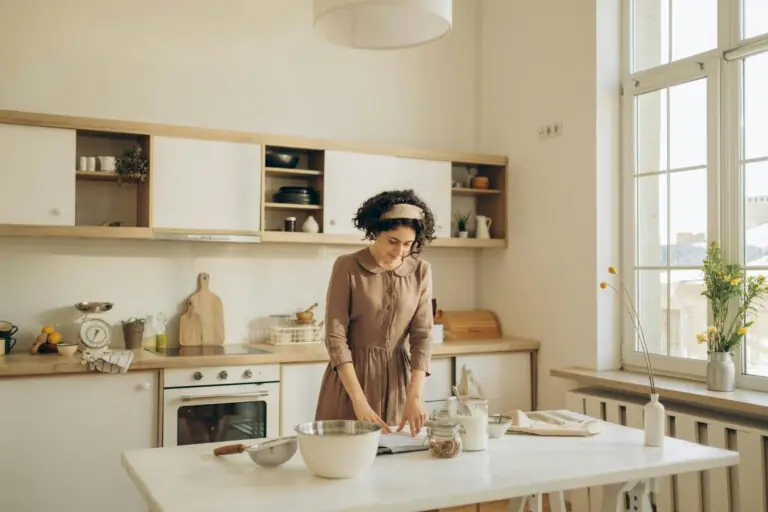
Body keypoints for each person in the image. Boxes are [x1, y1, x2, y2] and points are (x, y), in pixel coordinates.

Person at [314, 189, 436, 437]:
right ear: (375, 231)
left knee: (394, 455)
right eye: (393, 241)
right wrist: (358, 400)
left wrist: (415, 396)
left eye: (408, 244)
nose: (400, 251)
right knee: (345, 453)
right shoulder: (347, 266)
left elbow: (422, 336)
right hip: (350, 383)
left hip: (397, 383)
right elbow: (336, 337)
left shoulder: (421, 271)